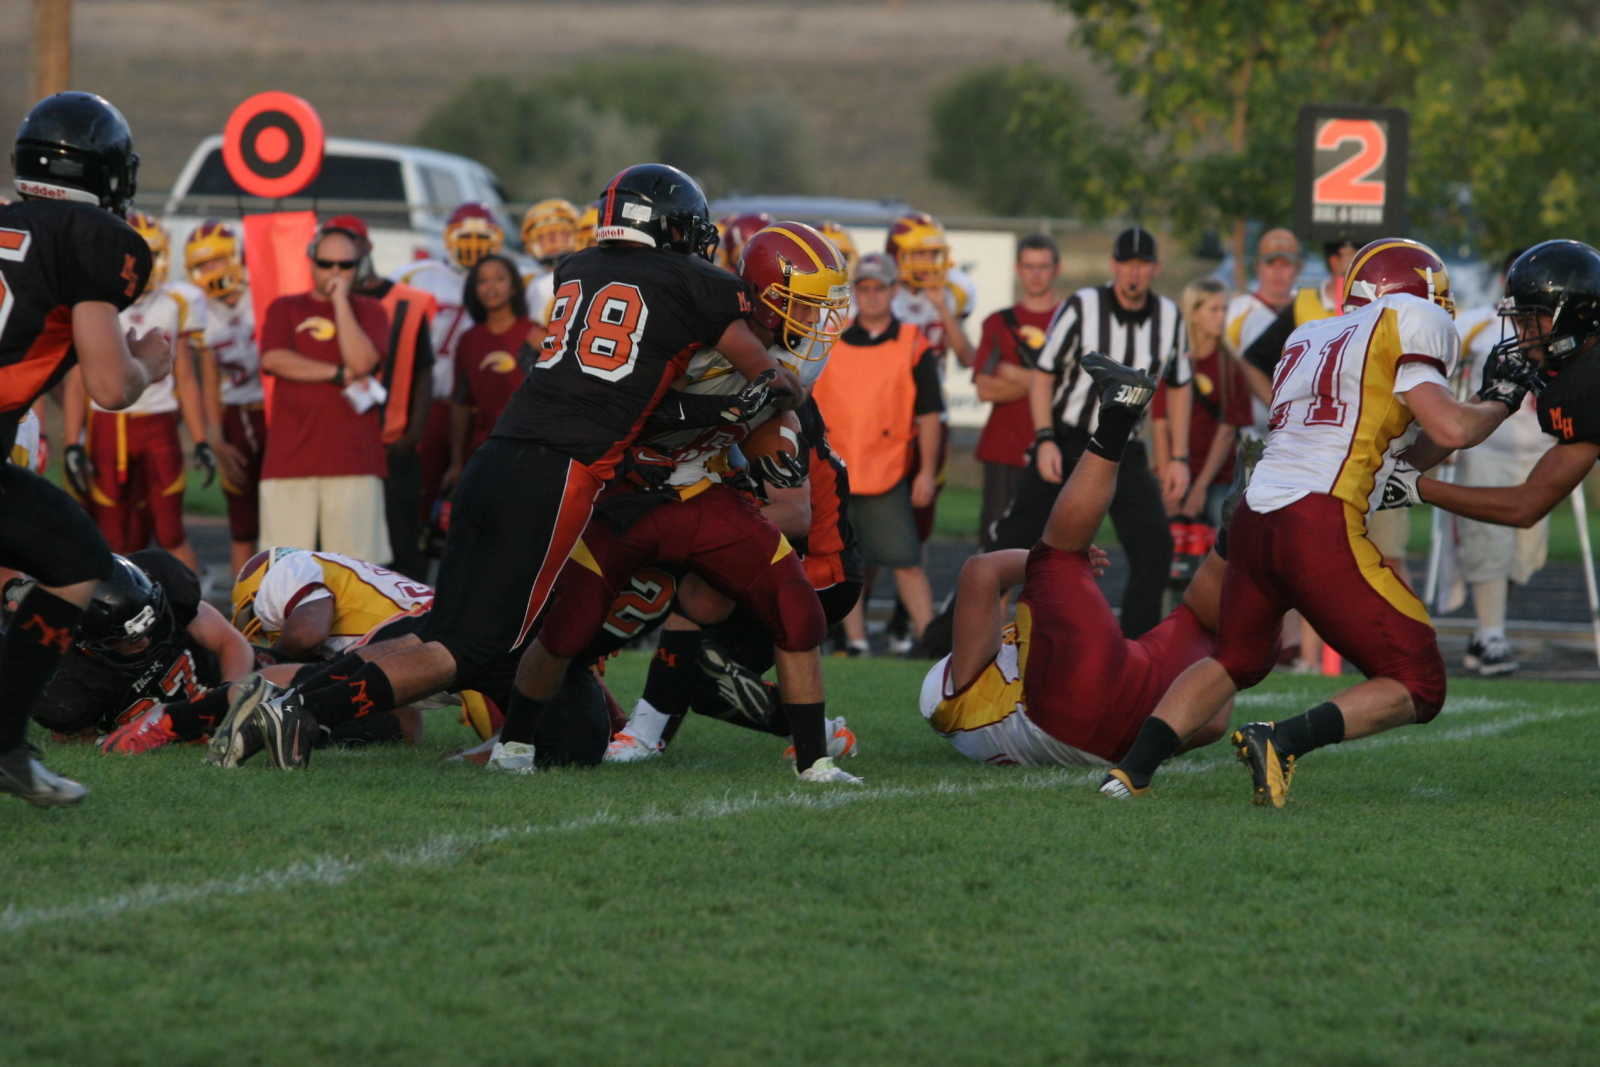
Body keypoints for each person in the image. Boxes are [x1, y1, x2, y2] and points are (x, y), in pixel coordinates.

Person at [216, 164, 803, 774]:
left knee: (444, 628)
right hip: (559, 471)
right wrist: (775, 394)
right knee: (472, 647)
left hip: (497, 454)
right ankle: (302, 709)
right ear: (671, 227)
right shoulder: (698, 283)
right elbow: (772, 378)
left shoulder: (576, 267)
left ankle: (289, 702)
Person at [1101, 237, 1523, 807]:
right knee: (1420, 682)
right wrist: (1502, 399)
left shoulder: (1310, 334)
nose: (1441, 306)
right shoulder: (1410, 316)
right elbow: (1451, 429)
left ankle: (1129, 774)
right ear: (1410, 290)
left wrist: (1480, 409)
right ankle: (1283, 739)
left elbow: (1405, 452)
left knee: (1234, 658)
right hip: (1318, 520)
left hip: (1255, 516)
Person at [921, 353, 1229, 766]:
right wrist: (1052, 561)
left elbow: (1213, 723)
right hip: (1061, 714)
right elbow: (981, 571)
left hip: (1121, 737)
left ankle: (1239, 533)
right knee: (1057, 557)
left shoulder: (982, 716)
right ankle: (1119, 414)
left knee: (1206, 631)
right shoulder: (967, 694)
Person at [0, 90, 174, 806]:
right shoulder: (94, 237)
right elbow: (109, 384)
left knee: (73, 555)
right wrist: (149, 365)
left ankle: (5, 745)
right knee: (74, 560)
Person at [1381, 241, 1600, 619]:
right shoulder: (1577, 369)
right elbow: (1459, 430)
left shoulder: (1589, 382)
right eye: (1518, 322)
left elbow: (1526, 505)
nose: (1523, 336)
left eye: (1532, 321)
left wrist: (1414, 487)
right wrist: (1493, 399)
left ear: (1579, 315)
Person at [991, 225, 1190, 638]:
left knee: (1155, 548)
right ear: (1114, 265)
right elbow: (1044, 373)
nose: (1134, 273)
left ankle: (1137, 650)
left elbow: (1180, 384)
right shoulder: (1083, 305)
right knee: (1011, 544)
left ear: (1155, 269)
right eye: (1127, 264)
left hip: (1126, 448)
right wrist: (1044, 438)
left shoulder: (1169, 317)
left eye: (1142, 265)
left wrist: (1178, 458)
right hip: (1069, 439)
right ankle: (947, 641)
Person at [62, 210, 212, 577]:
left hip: (158, 424)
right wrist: (71, 442)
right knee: (111, 534)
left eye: (153, 253)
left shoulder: (175, 302)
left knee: (171, 531)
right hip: (107, 425)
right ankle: (116, 606)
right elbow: (78, 377)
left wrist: (201, 439)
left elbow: (186, 378)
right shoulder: (96, 299)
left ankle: (190, 606)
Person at [1422, 247, 1546, 675]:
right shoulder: (1477, 323)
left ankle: (1486, 632)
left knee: (1524, 557)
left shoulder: (1556, 326)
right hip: (1487, 449)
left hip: (1539, 452)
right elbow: (1434, 365)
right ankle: (1492, 634)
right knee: (1488, 546)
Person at [812, 251, 942, 655]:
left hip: (887, 470)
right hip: (836, 471)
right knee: (844, 563)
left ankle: (931, 641)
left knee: (906, 559)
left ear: (894, 290)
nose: (871, 296)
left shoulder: (913, 343)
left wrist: (926, 473)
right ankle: (856, 642)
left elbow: (930, 415)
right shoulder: (830, 340)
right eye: (863, 288)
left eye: (879, 288)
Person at [257, 218, 392, 562]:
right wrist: (336, 373)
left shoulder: (372, 311)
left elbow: (362, 363)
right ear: (312, 262)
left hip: (355, 460)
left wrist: (341, 302)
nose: (335, 272)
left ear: (358, 267)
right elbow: (274, 359)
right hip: (289, 459)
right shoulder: (285, 308)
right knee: (283, 568)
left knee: (356, 571)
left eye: (345, 265)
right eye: (326, 263)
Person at [22, 551, 253, 752]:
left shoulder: (166, 583)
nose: (146, 641)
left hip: (217, 681)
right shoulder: (67, 684)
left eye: (151, 625)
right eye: (129, 639)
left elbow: (230, 642)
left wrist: (227, 703)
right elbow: (84, 744)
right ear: (91, 643)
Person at [391, 203, 506, 532]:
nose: (473, 247)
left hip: (480, 405)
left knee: (476, 492)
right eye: (466, 238)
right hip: (431, 398)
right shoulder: (416, 275)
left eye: (481, 239)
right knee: (420, 485)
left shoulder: (505, 278)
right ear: (448, 238)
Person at [341, 214, 437, 580]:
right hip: (342, 449)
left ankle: (411, 613)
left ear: (367, 246)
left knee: (403, 545)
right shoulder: (321, 303)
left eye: (351, 242)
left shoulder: (408, 302)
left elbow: (424, 370)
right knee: (347, 551)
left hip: (393, 444)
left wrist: (413, 434)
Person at [184, 219, 266, 577]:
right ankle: (243, 599)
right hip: (235, 415)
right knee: (242, 522)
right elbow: (210, 380)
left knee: (280, 513)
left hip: (275, 415)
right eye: (202, 265)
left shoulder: (261, 295)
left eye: (216, 261)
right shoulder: (202, 311)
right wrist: (215, 437)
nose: (211, 272)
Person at [973, 234, 1061, 549]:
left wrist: (1016, 375)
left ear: (1057, 269)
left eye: (1043, 266)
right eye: (1029, 266)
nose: (1036, 274)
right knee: (996, 546)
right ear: (1017, 269)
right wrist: (1047, 382)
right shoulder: (998, 323)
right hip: (1004, 448)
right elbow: (985, 389)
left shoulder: (1070, 320)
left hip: (1057, 448)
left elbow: (1074, 387)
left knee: (1052, 547)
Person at [1153, 278, 1251, 535]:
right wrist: (1165, 481)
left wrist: (1200, 487)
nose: (1221, 317)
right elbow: (1160, 424)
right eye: (1213, 309)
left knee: (1222, 544)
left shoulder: (1230, 366)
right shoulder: (1174, 362)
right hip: (1173, 472)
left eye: (1224, 309)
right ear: (1194, 314)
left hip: (1217, 478)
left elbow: (1227, 430)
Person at [445, 252, 534, 490]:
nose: (491, 287)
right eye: (482, 281)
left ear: (514, 287)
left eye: (499, 279)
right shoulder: (468, 340)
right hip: (482, 451)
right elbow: (461, 403)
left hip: (528, 453)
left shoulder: (535, 335)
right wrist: (456, 463)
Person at [1226, 227, 1301, 406]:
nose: (1277, 271)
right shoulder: (1237, 310)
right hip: (1249, 415)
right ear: (1258, 266)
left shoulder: (1306, 307)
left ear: (1298, 268)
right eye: (1270, 263)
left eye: (1285, 264)